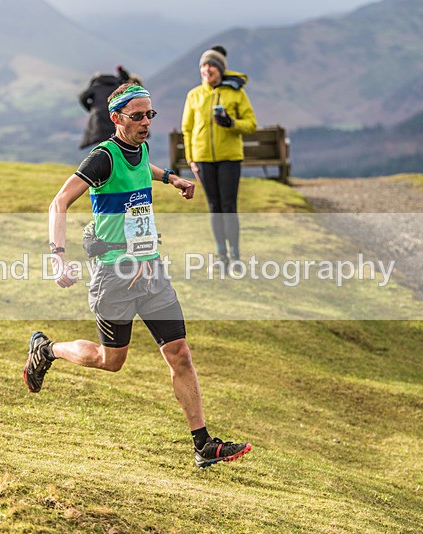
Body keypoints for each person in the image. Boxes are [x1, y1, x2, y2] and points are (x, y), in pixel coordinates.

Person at [23, 83, 252, 468]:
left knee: (179, 352)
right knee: (111, 361)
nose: (146, 122)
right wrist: (58, 257)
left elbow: (144, 164)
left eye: (150, 115)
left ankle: (202, 444)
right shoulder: (103, 158)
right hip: (114, 274)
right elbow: (59, 202)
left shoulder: (139, 146)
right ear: (116, 119)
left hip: (151, 269)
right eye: (137, 116)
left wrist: (170, 179)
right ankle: (46, 350)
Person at [181, 45, 257, 268]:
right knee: (214, 206)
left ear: (221, 69)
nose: (207, 69)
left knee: (228, 205)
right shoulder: (194, 95)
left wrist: (231, 123)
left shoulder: (236, 93)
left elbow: (251, 125)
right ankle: (221, 256)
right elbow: (187, 129)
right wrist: (190, 158)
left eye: (212, 65)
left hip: (229, 158)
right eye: (204, 65)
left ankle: (235, 256)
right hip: (203, 159)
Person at [78, 66, 143, 149]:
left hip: (98, 118)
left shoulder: (96, 87)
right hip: (114, 116)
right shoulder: (118, 87)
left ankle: (103, 159)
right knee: (116, 142)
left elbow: (82, 97)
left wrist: (91, 108)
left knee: (102, 145)